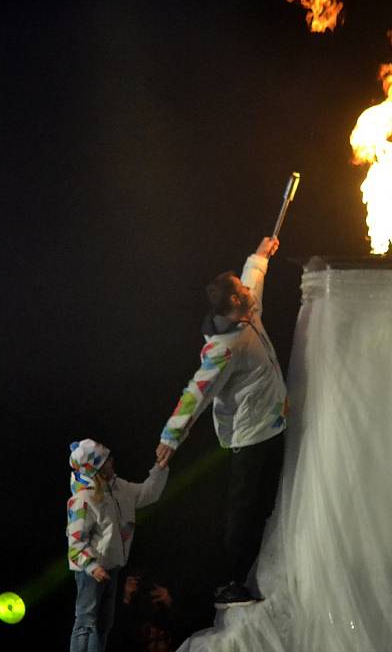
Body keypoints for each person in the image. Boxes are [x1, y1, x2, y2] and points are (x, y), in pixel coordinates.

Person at [156, 237, 288, 609]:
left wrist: (258, 257)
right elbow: (196, 392)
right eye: (241, 289)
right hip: (249, 436)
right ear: (233, 301)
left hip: (272, 425)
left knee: (264, 506)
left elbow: (253, 281)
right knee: (243, 511)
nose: (248, 290)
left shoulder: (248, 311)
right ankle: (228, 583)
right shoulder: (224, 347)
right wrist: (171, 436)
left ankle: (252, 571)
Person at [67, 439, 169, 652]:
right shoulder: (82, 499)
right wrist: (92, 566)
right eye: (106, 460)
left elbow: (146, 494)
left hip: (111, 567)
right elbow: (76, 543)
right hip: (90, 571)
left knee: (104, 624)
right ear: (96, 466)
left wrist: (159, 469)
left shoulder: (118, 487)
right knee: (86, 622)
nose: (112, 461)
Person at [112, 569, 178, 652]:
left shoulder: (127, 625)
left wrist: (126, 596)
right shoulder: (168, 620)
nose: (156, 631)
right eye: (163, 635)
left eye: (149, 633)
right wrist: (169, 600)